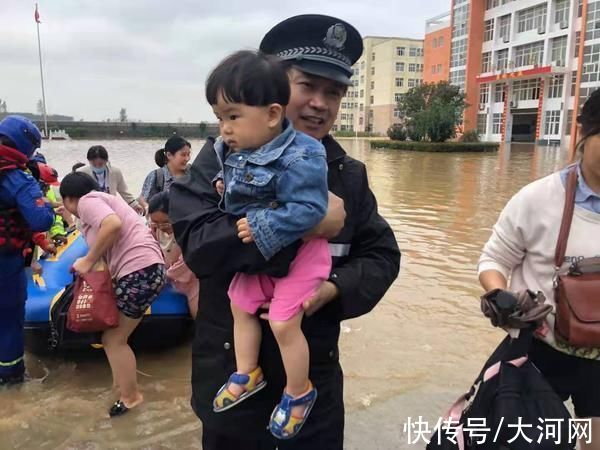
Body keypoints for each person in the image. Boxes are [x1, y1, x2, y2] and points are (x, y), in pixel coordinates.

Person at [169, 14, 400, 449]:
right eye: (307, 86)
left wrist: (333, 288)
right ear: (273, 91)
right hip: (230, 388)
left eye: (333, 92)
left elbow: (382, 257)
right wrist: (309, 226)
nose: (320, 103)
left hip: (315, 400)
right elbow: (199, 246)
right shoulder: (217, 163)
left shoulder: (347, 174)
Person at [205, 50, 331, 439]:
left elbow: (312, 208)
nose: (224, 129)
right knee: (239, 304)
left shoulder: (304, 154)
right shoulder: (231, 150)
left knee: (281, 321)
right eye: (220, 118)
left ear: (273, 114)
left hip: (302, 256)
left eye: (233, 116)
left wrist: (265, 222)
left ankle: (299, 391)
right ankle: (248, 372)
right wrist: (224, 189)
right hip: (263, 256)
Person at [479, 89, 600, 450]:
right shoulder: (538, 198)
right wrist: (500, 296)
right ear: (586, 133)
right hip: (540, 352)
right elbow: (493, 259)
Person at [60, 172, 166, 416]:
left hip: (140, 270)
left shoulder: (88, 201)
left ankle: (131, 398)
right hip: (149, 270)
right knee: (116, 338)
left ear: (68, 198)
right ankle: (121, 389)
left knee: (113, 339)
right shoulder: (102, 205)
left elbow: (113, 225)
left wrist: (87, 260)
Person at [0, 115, 54, 385]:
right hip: (5, 261)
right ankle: (11, 378)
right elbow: (40, 220)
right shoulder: (17, 178)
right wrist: (44, 203)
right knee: (9, 318)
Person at [147, 191, 199, 318]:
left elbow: (187, 260)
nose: (161, 227)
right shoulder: (154, 230)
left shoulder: (189, 230)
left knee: (198, 314)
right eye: (155, 222)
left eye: (166, 222)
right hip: (169, 279)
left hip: (193, 281)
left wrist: (163, 276)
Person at [77, 145, 144, 215]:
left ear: (106, 161)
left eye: (100, 164)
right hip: (89, 210)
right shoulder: (81, 173)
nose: (97, 167)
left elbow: (123, 191)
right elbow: (77, 195)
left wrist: (134, 204)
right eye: (94, 164)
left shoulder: (115, 172)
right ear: (89, 161)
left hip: (110, 209)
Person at [139, 136, 191, 206]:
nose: (187, 158)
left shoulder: (193, 173)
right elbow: (143, 200)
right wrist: (147, 208)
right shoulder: (157, 176)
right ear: (169, 155)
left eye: (188, 154)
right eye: (183, 155)